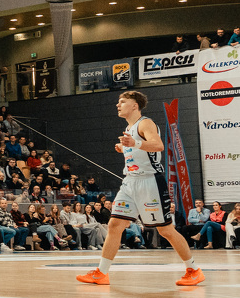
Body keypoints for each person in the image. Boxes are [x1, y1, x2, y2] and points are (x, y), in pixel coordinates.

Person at [77, 90, 203, 287]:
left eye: (122, 101)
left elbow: (158, 145)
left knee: (166, 230)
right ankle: (101, 273)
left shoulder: (145, 123)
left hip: (149, 182)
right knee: (114, 225)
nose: (118, 105)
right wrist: (125, 148)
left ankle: (193, 270)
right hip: (130, 182)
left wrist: (134, 143)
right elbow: (140, 150)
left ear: (134, 105)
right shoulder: (129, 128)